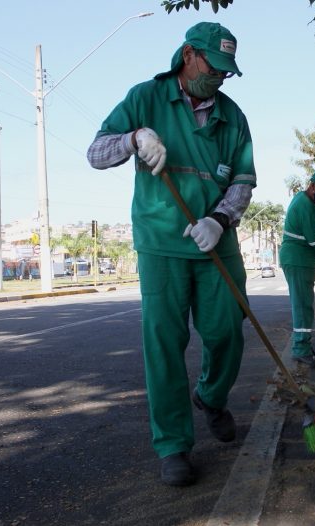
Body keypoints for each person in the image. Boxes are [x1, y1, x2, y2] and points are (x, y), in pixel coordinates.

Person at [86, 22, 256, 487]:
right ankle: (173, 445)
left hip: (216, 240)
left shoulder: (233, 117)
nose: (218, 78)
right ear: (188, 55)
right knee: (163, 344)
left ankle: (212, 396)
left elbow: (243, 181)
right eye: (212, 67)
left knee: (227, 332)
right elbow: (95, 153)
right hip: (161, 243)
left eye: (226, 71)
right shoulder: (145, 97)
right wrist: (134, 138)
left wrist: (218, 221)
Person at [279, 170, 315, 366]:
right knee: (302, 306)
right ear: (312, 186)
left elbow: (306, 221)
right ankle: (300, 349)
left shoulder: (303, 201)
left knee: (303, 304)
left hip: (298, 259)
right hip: (298, 260)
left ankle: (303, 346)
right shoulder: (306, 206)